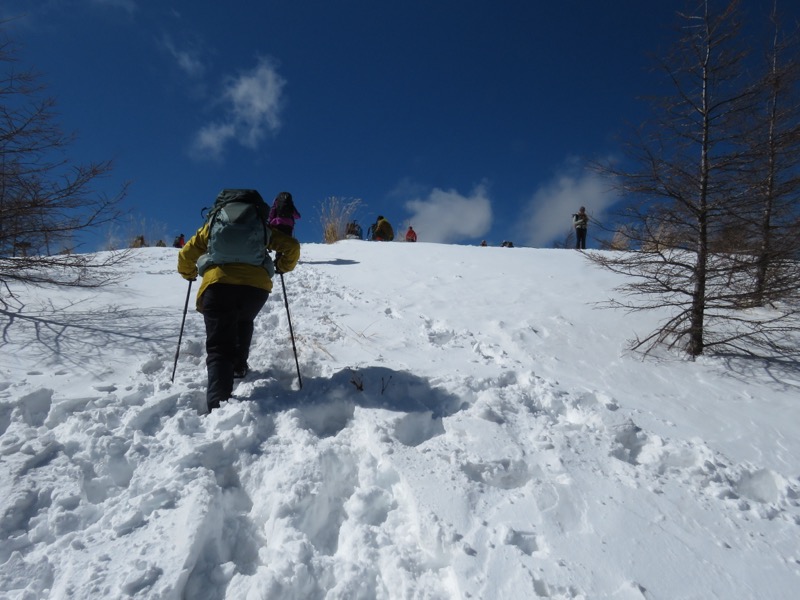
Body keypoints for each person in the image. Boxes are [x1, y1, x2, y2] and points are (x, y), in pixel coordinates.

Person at [177, 205, 300, 413]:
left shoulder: (213, 225)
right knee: (244, 319)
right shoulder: (261, 227)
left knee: (219, 345)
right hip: (255, 288)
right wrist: (282, 266)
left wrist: (188, 272)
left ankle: (218, 404)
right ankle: (238, 366)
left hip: (217, 285)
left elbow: (186, 253)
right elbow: (292, 246)